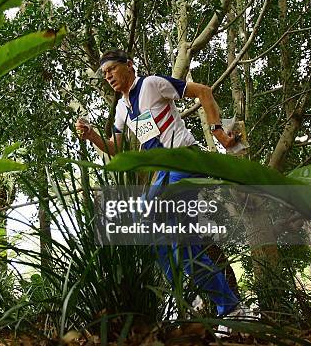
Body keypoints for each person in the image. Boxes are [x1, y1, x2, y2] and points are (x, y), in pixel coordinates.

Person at [76, 49, 239, 316]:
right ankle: (189, 296)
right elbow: (115, 148)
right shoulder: (122, 108)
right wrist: (92, 134)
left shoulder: (151, 84)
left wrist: (217, 131)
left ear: (129, 65)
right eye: (104, 74)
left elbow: (203, 91)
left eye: (112, 70)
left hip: (184, 161)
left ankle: (223, 305)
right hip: (162, 173)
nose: (108, 77)